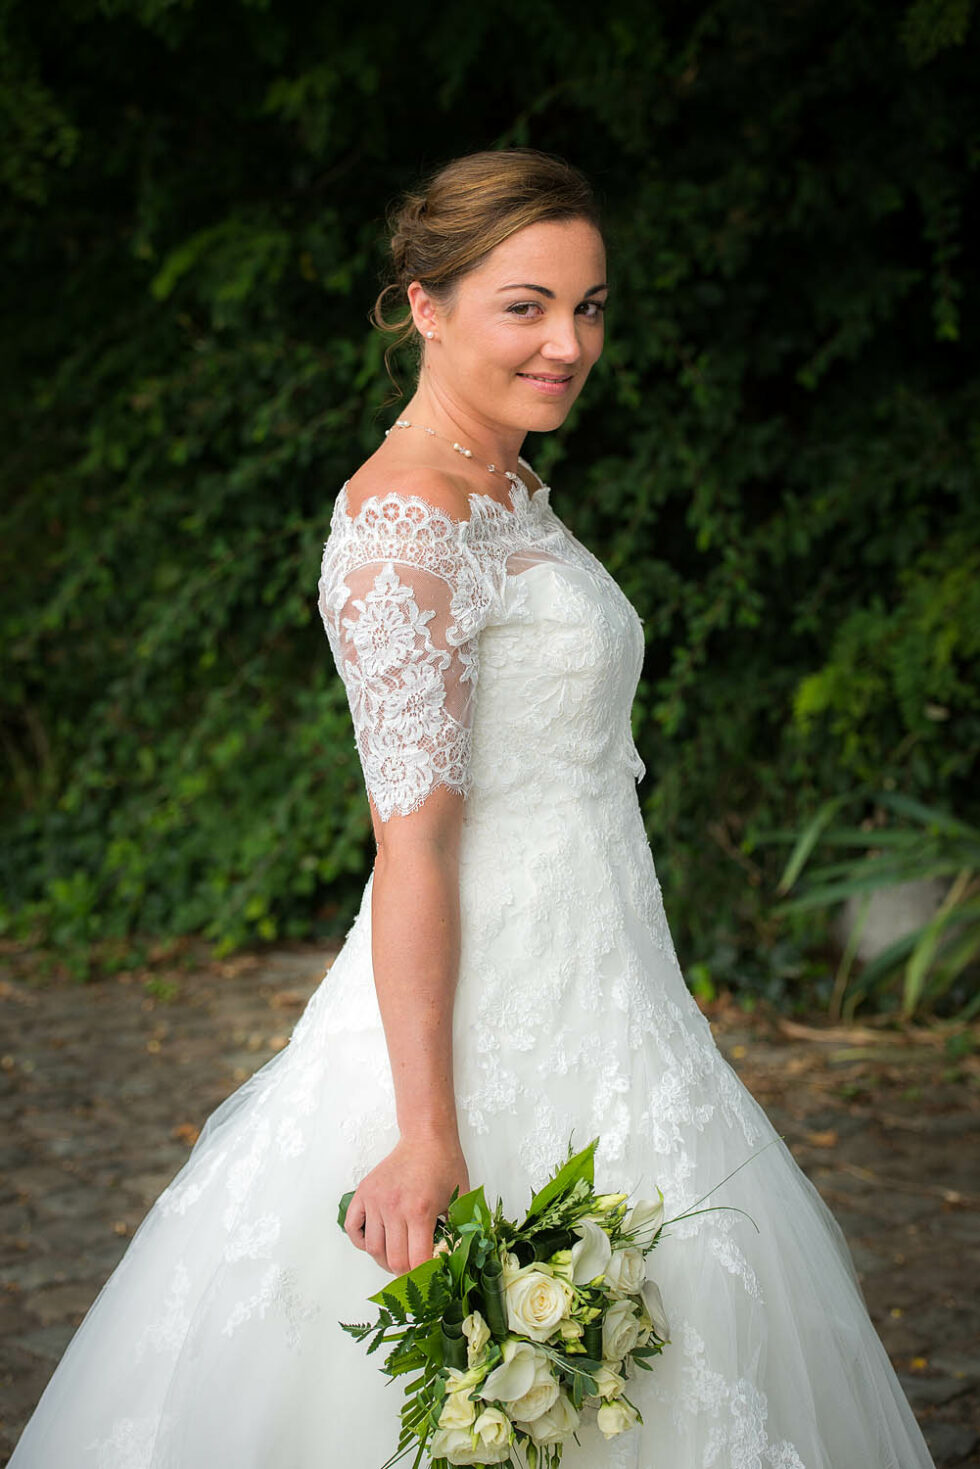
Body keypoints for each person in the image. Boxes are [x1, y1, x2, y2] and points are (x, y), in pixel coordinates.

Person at [8, 147, 935, 1469]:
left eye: (591, 305)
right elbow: (416, 839)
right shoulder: (405, 525)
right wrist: (430, 1133)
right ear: (424, 305)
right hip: (493, 997)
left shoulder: (501, 488)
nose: (569, 342)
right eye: (526, 304)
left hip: (607, 980)